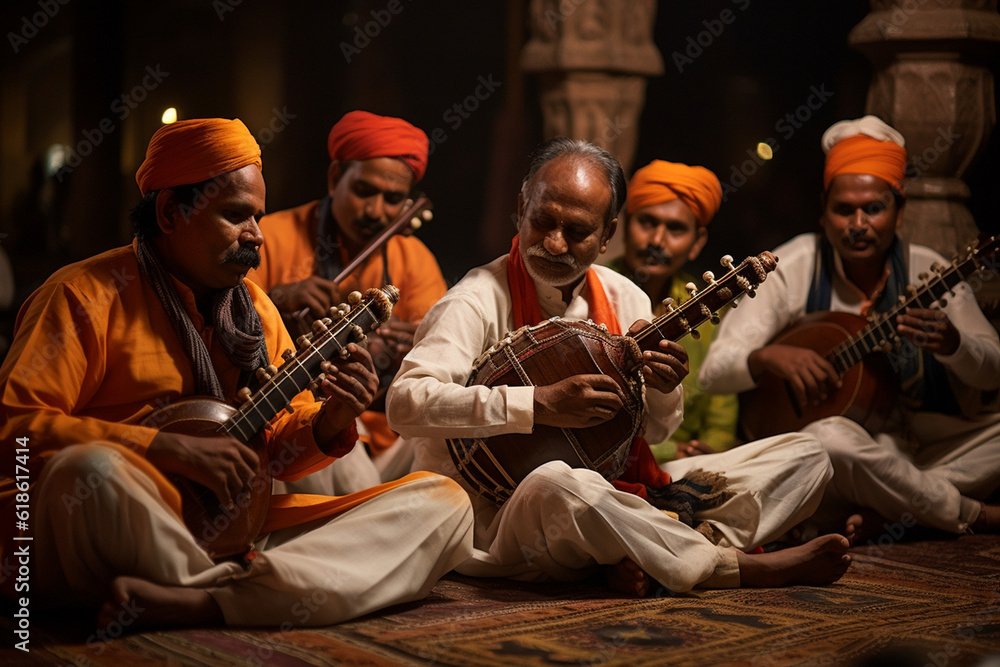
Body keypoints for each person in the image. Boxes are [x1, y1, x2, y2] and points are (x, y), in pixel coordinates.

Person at [0, 118, 472, 629]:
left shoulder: (254, 311)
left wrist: (331, 418)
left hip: (233, 526)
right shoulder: (81, 297)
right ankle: (256, 593)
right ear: (169, 211)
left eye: (259, 218)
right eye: (236, 216)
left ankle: (198, 601)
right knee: (89, 470)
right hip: (117, 516)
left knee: (444, 506)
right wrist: (160, 448)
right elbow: (13, 430)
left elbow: (283, 454)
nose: (257, 237)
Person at [386, 137, 854, 597]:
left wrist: (665, 387)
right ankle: (725, 565)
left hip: (619, 492)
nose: (553, 243)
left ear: (609, 234)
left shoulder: (625, 297)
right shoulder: (476, 298)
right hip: (501, 514)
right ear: (521, 206)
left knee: (808, 456)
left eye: (577, 231)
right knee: (558, 481)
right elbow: (404, 405)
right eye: (542, 221)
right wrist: (537, 404)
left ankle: (638, 552)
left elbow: (655, 437)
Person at [699, 115, 1000, 538]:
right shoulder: (796, 265)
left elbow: (992, 371)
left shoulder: (930, 271)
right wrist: (767, 356)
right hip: (843, 455)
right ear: (823, 212)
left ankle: (897, 509)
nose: (858, 224)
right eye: (844, 210)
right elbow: (713, 372)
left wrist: (953, 344)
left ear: (900, 212)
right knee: (830, 439)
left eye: (874, 208)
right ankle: (970, 514)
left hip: (928, 451)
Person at [249, 110, 447, 492]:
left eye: (393, 199)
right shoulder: (270, 236)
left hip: (388, 443)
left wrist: (413, 351)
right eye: (364, 191)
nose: (375, 211)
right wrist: (274, 304)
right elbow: (226, 333)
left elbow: (440, 366)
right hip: (306, 432)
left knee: (448, 435)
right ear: (336, 178)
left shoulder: (415, 260)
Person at [605, 159, 739, 462]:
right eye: (648, 222)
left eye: (676, 229)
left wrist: (710, 452)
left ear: (697, 243)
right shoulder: (592, 290)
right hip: (607, 463)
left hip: (688, 464)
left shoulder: (708, 311)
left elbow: (721, 416)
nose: (656, 241)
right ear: (624, 227)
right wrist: (666, 452)